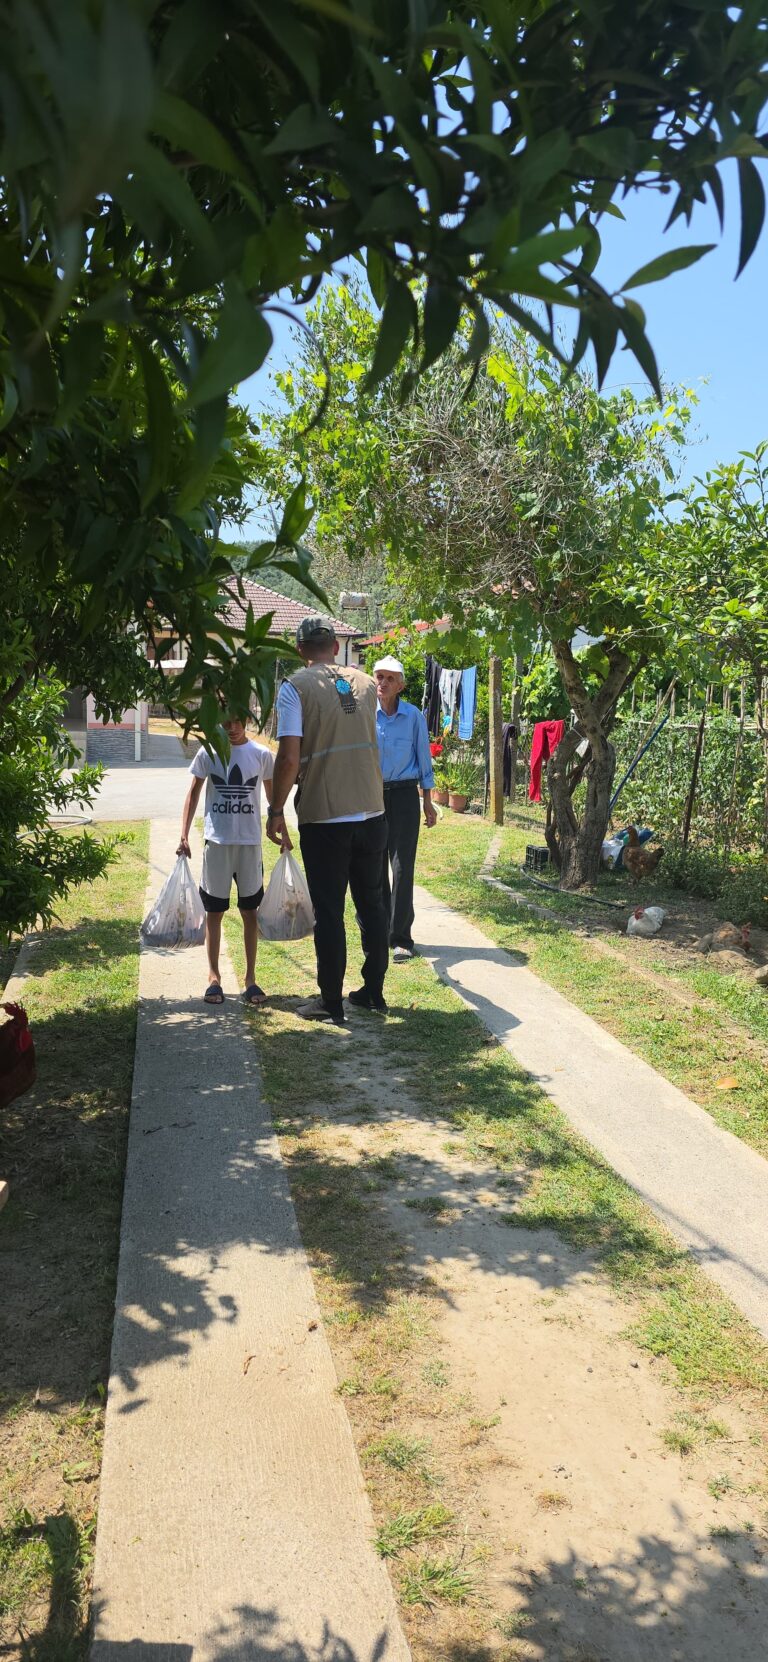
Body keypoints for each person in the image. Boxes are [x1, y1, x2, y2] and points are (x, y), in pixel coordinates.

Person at [267, 617, 389, 1025]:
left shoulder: (295, 688)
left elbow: (288, 758)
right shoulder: (367, 684)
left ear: (300, 649)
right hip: (372, 810)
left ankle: (331, 1001)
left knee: (330, 911)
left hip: (326, 814)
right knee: (373, 904)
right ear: (336, 646)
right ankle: (373, 991)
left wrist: (276, 809)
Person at [177, 711, 274, 1006]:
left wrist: (279, 828)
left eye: (237, 721)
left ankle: (250, 979)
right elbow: (193, 793)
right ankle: (213, 977)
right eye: (225, 722)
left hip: (249, 845)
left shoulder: (261, 755)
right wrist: (183, 834)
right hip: (216, 843)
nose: (231, 728)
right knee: (214, 912)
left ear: (247, 720)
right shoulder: (208, 752)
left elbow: (273, 800)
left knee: (249, 911)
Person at [373, 655, 437, 961]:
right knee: (374, 866)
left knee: (401, 867)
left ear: (400, 685)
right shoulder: (365, 715)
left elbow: (424, 758)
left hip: (404, 796)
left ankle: (401, 937)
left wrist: (428, 802)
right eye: (379, 677)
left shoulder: (413, 717)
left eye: (390, 679)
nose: (383, 683)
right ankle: (380, 929)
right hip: (372, 796)